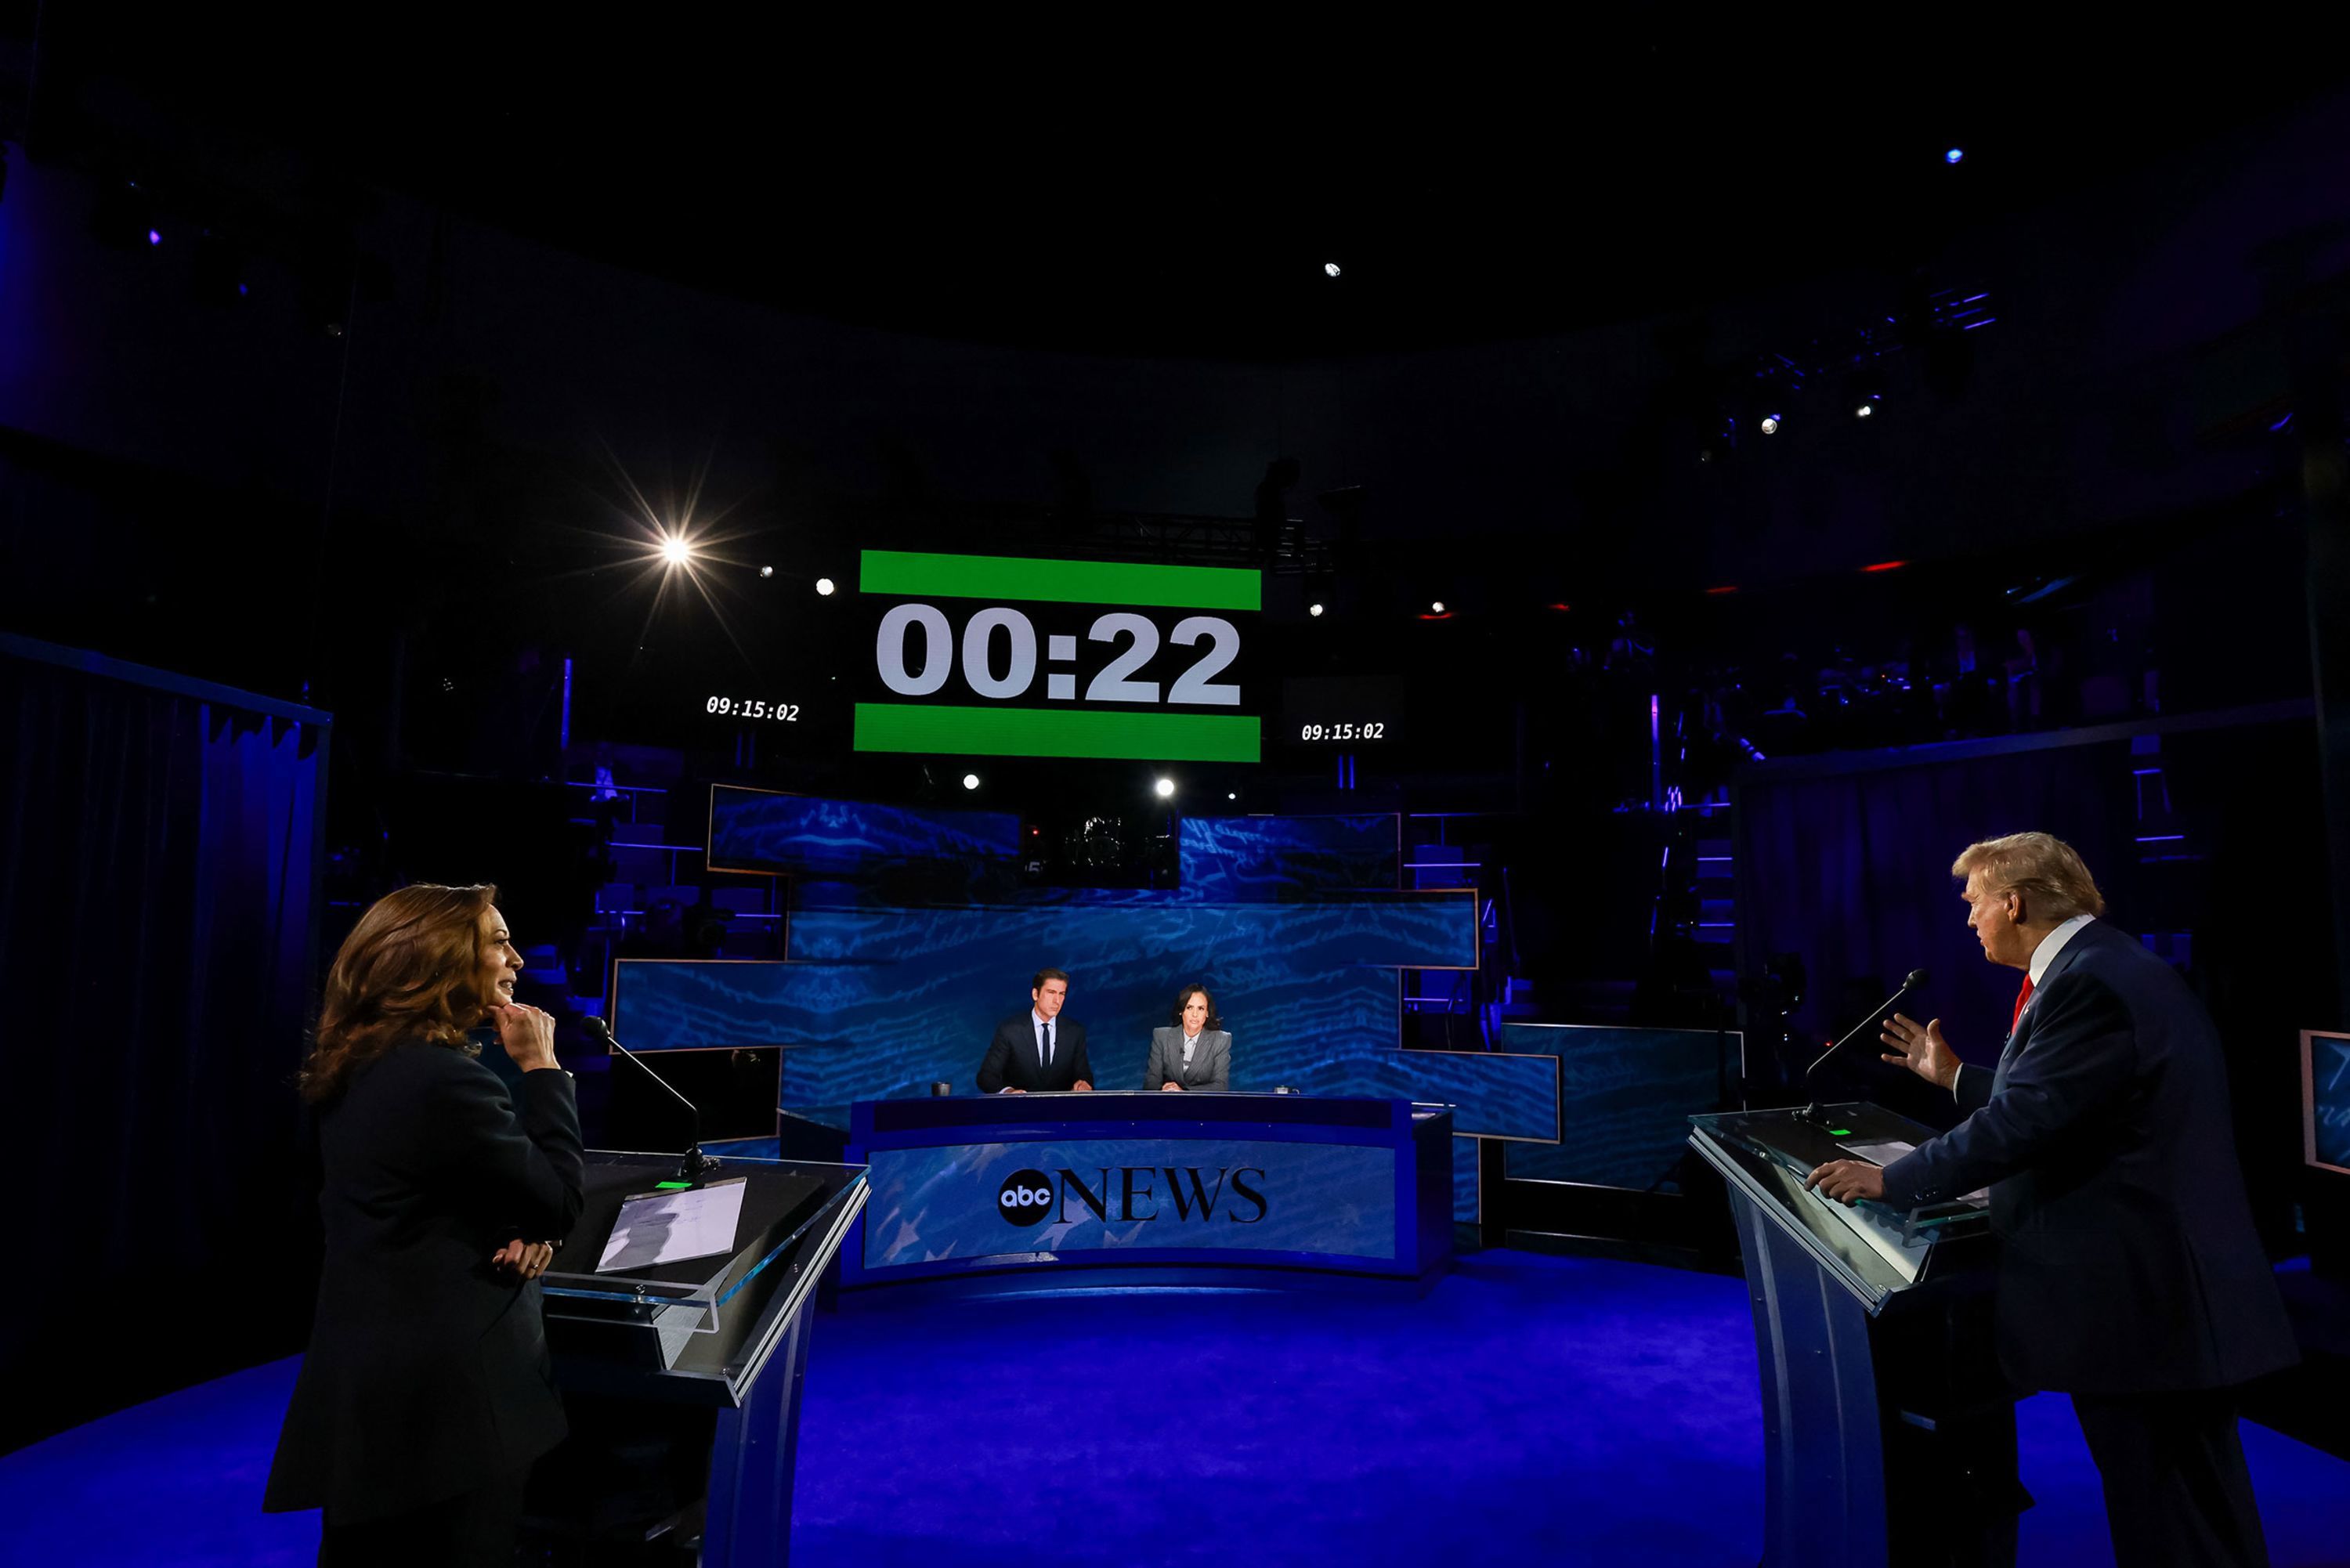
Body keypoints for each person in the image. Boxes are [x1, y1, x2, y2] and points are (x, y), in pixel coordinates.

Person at [1806, 833, 2296, 1568]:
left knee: (2173, 1520)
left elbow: (2025, 1122)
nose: (1969, 921)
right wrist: (1958, 1079)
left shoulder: (2087, 983)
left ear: (2015, 901)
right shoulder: (2105, 965)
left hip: (2145, 1307)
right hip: (2161, 1300)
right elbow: (2072, 1098)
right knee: (2194, 1511)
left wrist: (1894, 1180)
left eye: (1974, 905)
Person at [265, 884, 586, 1567]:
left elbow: (424, 1194)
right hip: (450, 1414)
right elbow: (558, 1200)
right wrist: (544, 1069)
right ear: (440, 959)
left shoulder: (360, 1060)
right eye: (499, 940)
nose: (518, 959)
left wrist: (526, 1227)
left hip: (374, 1393)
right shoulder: (446, 1081)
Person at [976, 967, 1092, 1093]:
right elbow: (986, 1076)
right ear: (1035, 994)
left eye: (1061, 994)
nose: (1057, 1001)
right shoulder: (1010, 1030)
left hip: (1061, 1110)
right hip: (1019, 1109)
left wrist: (1084, 1084)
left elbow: (1084, 1075)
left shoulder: (1075, 1032)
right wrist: (1008, 1092)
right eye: (1051, 992)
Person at [1144, 984, 1231, 1091]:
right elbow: (1151, 1083)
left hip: (1204, 1105)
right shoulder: (1161, 1036)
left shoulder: (1221, 1040)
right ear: (1181, 1011)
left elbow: (1221, 1086)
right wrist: (1164, 1091)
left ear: (1207, 1013)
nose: (1195, 1014)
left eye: (1201, 1008)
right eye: (1189, 1008)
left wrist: (1184, 1092)